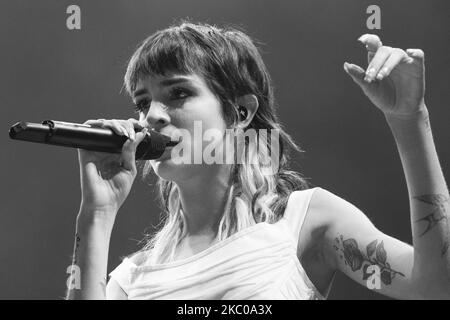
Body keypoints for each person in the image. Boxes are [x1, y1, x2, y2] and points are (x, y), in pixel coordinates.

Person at [66, 21, 450, 300]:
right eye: (143, 102)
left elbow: (434, 287)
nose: (152, 116)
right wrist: (96, 215)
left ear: (241, 112)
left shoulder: (306, 223)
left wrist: (409, 120)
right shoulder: (132, 279)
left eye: (178, 92)